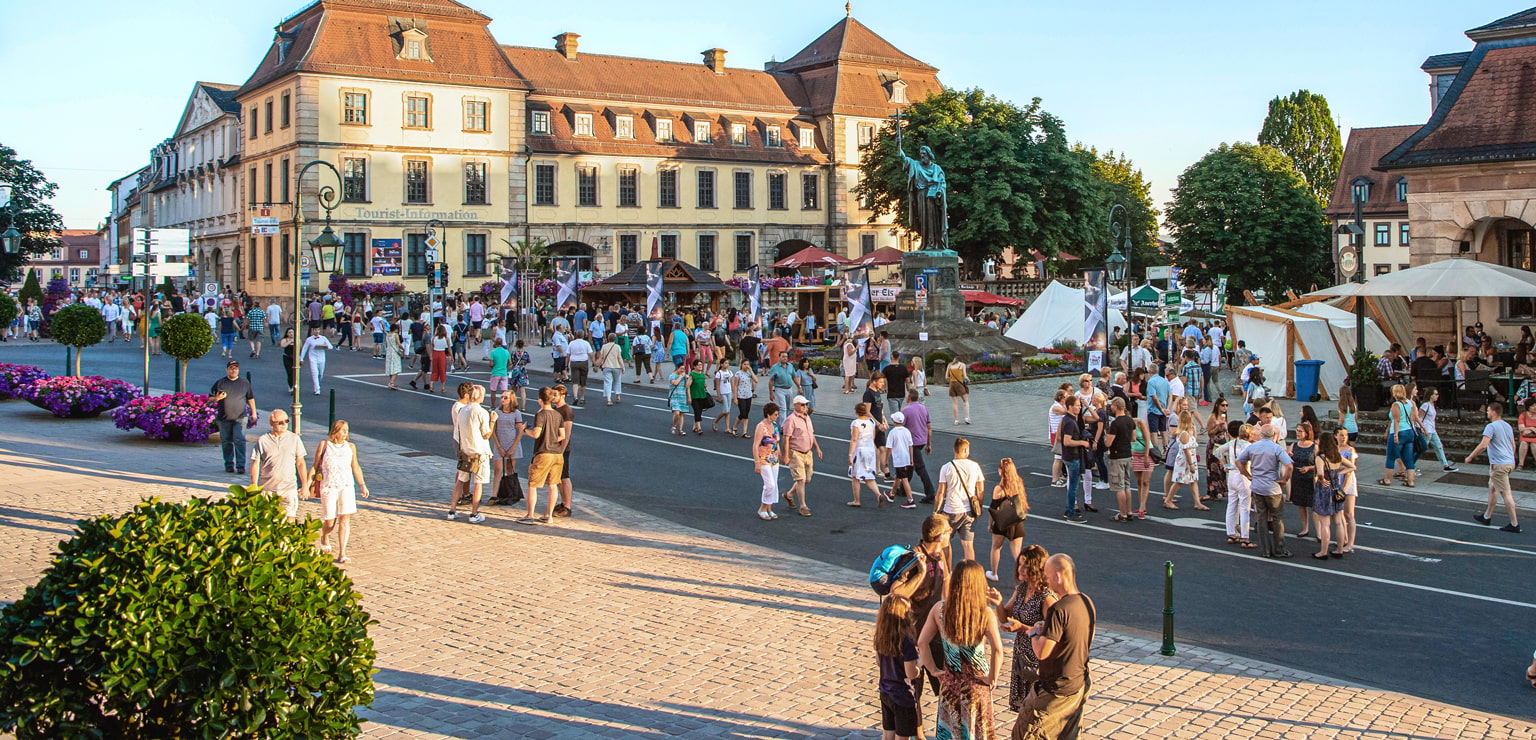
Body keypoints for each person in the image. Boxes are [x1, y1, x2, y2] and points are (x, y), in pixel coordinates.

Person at [916, 561, 1003, 740]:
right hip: (977, 684)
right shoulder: (984, 613)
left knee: (951, 731)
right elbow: (997, 650)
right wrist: (992, 677)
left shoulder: (940, 609)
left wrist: (933, 670)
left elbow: (922, 642)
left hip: (950, 682)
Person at [1013, 553, 1095, 740]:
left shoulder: (1058, 609)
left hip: (1055, 689)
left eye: (1048, 577)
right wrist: (1048, 629)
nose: (1047, 582)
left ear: (1058, 577)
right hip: (1077, 683)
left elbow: (1042, 652)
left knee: (1025, 733)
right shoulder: (1086, 602)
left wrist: (1034, 631)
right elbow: (1083, 638)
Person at [998, 545, 1057, 717]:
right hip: (1021, 658)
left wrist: (1022, 628)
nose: (1020, 570)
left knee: (1035, 712)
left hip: (1037, 660)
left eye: (1026, 566)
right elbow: (1005, 617)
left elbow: (1051, 633)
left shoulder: (1047, 598)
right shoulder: (1022, 589)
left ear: (1037, 569)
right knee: (1023, 710)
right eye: (1020, 564)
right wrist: (997, 603)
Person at [310, 420, 369, 563]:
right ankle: (325, 536)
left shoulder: (350, 447)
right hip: (329, 486)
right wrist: (306, 485)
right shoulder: (324, 445)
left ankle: (342, 552)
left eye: (347, 430)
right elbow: (315, 466)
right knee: (330, 521)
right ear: (335, 431)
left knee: (344, 519)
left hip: (346, 486)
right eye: (343, 430)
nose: (345, 433)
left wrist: (362, 484)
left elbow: (355, 466)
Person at [1237, 425, 1294, 558]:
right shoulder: (1276, 448)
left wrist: (1247, 475)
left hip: (1257, 486)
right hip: (1272, 487)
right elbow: (1290, 466)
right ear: (1273, 435)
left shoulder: (1253, 447)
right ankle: (1279, 548)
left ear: (1261, 434)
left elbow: (1239, 462)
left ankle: (1265, 549)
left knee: (1261, 517)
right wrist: (1284, 480)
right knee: (1277, 518)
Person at [1467, 401, 1522, 533]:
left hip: (1499, 464)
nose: (1487, 413)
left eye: (1488, 410)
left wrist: (1470, 457)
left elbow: (1483, 445)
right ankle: (1487, 516)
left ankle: (1514, 523)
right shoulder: (1507, 426)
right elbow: (1513, 445)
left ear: (1493, 412)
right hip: (1509, 462)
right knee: (1493, 488)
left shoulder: (1491, 427)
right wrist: (1511, 458)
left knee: (1505, 493)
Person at [874, 594, 922, 740]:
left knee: (888, 732)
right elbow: (910, 673)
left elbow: (878, 661)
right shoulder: (906, 642)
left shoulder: (881, 636)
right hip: (903, 696)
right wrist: (919, 666)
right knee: (902, 735)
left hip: (885, 691)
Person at [249, 409, 308, 522]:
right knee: (269, 521)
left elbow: (300, 463)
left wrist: (305, 485)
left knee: (289, 520)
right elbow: (255, 463)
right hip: (268, 488)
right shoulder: (263, 440)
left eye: (286, 421)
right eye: (280, 422)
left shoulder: (294, 439)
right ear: (272, 424)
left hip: (288, 487)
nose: (284, 424)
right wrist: (254, 486)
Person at [935, 438, 986, 563]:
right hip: (969, 511)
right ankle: (970, 574)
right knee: (968, 545)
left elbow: (941, 492)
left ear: (954, 450)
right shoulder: (975, 466)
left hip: (950, 510)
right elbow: (980, 490)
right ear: (965, 450)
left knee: (945, 543)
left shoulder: (946, 467)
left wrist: (936, 511)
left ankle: (948, 573)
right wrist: (979, 506)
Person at [521, 386, 567, 525]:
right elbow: (562, 436)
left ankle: (530, 515)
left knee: (533, 484)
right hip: (557, 454)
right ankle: (549, 515)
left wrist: (524, 430)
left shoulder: (541, 415)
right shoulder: (558, 414)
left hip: (543, 453)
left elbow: (536, 434)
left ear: (540, 400)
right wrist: (552, 439)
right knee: (552, 485)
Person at [449, 385, 493, 523]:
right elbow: (486, 434)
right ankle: (474, 513)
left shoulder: (462, 410)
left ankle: (452, 510)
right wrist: (493, 421)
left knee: (461, 480)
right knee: (478, 483)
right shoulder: (482, 412)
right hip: (480, 451)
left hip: (465, 450)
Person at [209, 360, 256, 475]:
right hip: (224, 417)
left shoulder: (244, 383)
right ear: (227, 370)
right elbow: (209, 397)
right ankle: (229, 464)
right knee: (226, 442)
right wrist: (216, 399)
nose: (233, 370)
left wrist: (253, 413)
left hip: (240, 417)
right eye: (231, 368)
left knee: (239, 440)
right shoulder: (220, 383)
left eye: (235, 368)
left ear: (238, 370)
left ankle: (241, 465)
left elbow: (250, 398)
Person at [986, 458, 1029, 581]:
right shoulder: (1018, 484)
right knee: (1017, 553)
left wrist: (990, 524)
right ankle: (1023, 576)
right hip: (1016, 521)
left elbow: (993, 508)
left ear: (1001, 471)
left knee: (996, 547)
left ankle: (994, 573)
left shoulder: (999, 488)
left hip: (1002, 522)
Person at [782, 396, 822, 516]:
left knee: (807, 479)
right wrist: (785, 455)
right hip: (796, 453)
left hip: (807, 452)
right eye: (802, 405)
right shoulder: (791, 420)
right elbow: (786, 438)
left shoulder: (807, 418)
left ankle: (789, 494)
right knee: (801, 480)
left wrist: (817, 448)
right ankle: (803, 506)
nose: (805, 407)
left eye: (806, 405)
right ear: (796, 405)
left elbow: (811, 434)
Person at [1311, 431, 1346, 561]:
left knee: (1324, 523)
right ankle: (1340, 549)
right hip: (1337, 487)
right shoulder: (1337, 456)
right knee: (1338, 522)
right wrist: (1339, 473)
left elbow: (1320, 473)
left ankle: (1323, 551)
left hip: (1324, 490)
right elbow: (1352, 466)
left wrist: (1321, 479)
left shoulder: (1321, 458)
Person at [488, 391, 526, 507]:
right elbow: (493, 431)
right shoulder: (496, 412)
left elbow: (520, 431)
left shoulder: (516, 413)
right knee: (498, 470)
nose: (503, 399)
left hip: (512, 444)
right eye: (502, 397)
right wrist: (498, 446)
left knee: (510, 469)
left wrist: (512, 447)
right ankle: (494, 495)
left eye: (506, 398)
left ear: (511, 400)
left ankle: (510, 493)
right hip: (499, 444)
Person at [1380, 384, 1420, 487]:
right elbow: (1412, 418)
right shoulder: (1408, 403)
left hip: (1399, 431)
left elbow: (1396, 420)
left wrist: (1395, 435)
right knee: (1409, 458)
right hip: (1409, 431)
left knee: (1391, 457)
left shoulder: (1396, 405)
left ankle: (1387, 480)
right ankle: (1410, 481)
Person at [901, 390, 937, 504]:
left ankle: (930, 492)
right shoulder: (923, 408)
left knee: (920, 467)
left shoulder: (905, 410)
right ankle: (903, 488)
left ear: (909, 398)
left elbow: (901, 428)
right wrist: (928, 444)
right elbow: (929, 427)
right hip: (922, 440)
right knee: (909, 465)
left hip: (912, 442)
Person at [1057, 395, 1089, 522]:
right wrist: (1082, 442)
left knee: (1073, 485)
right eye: (1077, 405)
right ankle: (1071, 512)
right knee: (1073, 486)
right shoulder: (1070, 422)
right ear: (1070, 406)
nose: (1079, 407)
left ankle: (1069, 509)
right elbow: (1067, 441)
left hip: (1070, 456)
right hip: (1072, 456)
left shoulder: (1068, 419)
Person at [848, 403, 887, 507]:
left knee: (855, 476)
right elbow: (873, 436)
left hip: (859, 451)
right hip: (870, 450)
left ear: (856, 412)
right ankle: (878, 494)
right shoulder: (871, 422)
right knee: (869, 476)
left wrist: (850, 455)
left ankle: (857, 500)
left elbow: (854, 439)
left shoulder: (856, 423)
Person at [752, 403, 783, 520]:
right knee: (769, 484)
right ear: (768, 415)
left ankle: (769, 508)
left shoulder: (774, 425)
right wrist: (757, 462)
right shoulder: (761, 426)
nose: (777, 416)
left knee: (774, 485)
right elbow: (755, 445)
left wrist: (780, 455)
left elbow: (776, 442)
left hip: (774, 459)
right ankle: (762, 507)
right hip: (764, 459)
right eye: (775, 414)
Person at [1418, 387, 1457, 472]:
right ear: (1430, 395)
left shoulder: (1432, 405)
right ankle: (1411, 465)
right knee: (1421, 448)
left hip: (1432, 430)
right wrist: (1421, 428)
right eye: (1435, 394)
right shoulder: (1425, 405)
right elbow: (1419, 417)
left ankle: (1445, 465)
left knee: (1439, 446)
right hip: (1426, 430)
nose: (1437, 396)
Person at [1289, 421, 1317, 539]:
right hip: (1297, 477)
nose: (1297, 433)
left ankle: (1319, 531)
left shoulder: (1314, 447)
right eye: (1297, 431)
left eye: (1300, 431)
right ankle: (1305, 528)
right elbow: (1288, 461)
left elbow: (1321, 464)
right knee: (1301, 504)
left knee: (1313, 505)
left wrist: (1309, 468)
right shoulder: (1293, 445)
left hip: (1310, 478)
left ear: (1307, 433)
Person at [299, 326, 333, 396]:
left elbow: (331, 346)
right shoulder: (309, 339)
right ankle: (317, 389)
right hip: (313, 358)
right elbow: (305, 349)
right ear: (312, 330)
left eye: (318, 330)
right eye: (315, 330)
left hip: (321, 358)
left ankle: (317, 384)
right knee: (315, 372)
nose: (317, 331)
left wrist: (326, 346)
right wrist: (301, 359)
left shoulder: (323, 338)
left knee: (320, 374)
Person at [596, 332, 625, 406]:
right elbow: (619, 358)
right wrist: (623, 367)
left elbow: (601, 357)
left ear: (608, 339)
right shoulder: (617, 346)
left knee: (607, 383)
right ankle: (618, 396)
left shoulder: (604, 346)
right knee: (617, 381)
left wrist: (596, 365)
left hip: (607, 366)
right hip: (616, 366)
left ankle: (608, 399)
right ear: (615, 339)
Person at [730, 359, 756, 438]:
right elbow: (735, 386)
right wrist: (735, 397)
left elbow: (756, 380)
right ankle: (735, 426)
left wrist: (751, 371)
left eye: (747, 364)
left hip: (748, 395)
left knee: (746, 414)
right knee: (743, 413)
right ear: (741, 365)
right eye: (744, 364)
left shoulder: (749, 373)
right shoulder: (738, 373)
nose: (746, 366)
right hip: (741, 395)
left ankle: (744, 432)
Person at [667, 362, 691, 436]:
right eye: (681, 369)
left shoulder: (684, 377)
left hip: (682, 397)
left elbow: (687, 387)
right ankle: (674, 426)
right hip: (674, 397)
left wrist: (689, 379)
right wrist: (681, 376)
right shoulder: (672, 376)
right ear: (677, 368)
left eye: (684, 369)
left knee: (681, 413)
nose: (682, 370)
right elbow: (675, 383)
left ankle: (680, 430)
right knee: (677, 413)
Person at [947, 360, 971, 425]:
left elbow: (946, 377)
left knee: (954, 402)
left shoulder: (949, 365)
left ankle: (956, 420)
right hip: (959, 384)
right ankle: (967, 418)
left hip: (952, 384)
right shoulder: (962, 365)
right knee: (965, 400)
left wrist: (952, 380)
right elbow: (965, 376)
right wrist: (968, 381)